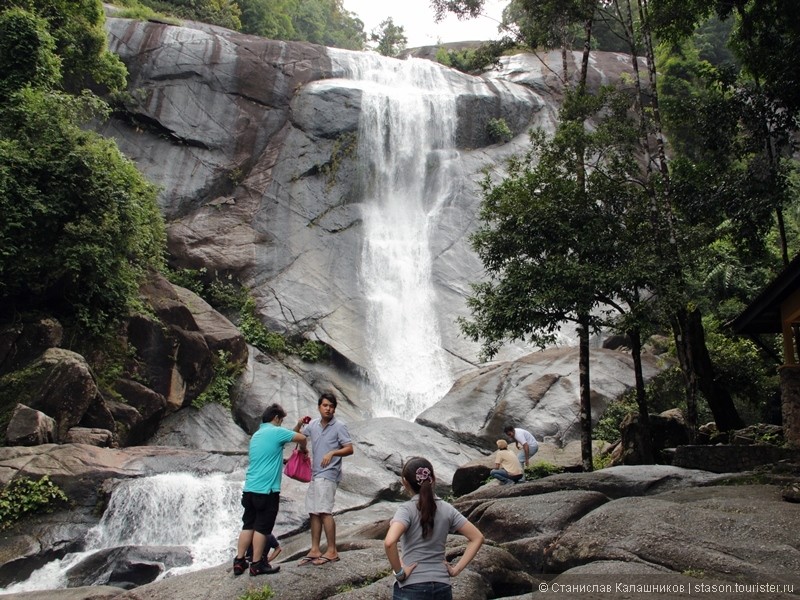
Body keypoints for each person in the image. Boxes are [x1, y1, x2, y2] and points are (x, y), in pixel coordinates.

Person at [384, 457, 484, 600]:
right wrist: (456, 570)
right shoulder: (448, 509)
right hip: (442, 585)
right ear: (433, 478)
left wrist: (399, 573)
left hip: (411, 587)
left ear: (405, 483)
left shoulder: (406, 510)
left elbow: (389, 542)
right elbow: (477, 538)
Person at [233, 403, 306, 576]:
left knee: (248, 525)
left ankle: (239, 560)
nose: (281, 424)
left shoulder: (257, 435)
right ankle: (257, 564)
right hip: (267, 491)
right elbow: (301, 439)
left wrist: (298, 425)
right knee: (262, 528)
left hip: (249, 489)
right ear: (275, 418)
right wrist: (304, 451)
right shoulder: (276, 432)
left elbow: (286, 438)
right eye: (281, 421)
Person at [294, 392, 353, 566]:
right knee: (313, 511)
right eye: (325, 405)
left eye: (331, 406)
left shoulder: (339, 426)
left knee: (325, 511)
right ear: (319, 407)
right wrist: (298, 423)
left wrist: (333, 452)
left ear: (335, 409)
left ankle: (332, 550)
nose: (328, 409)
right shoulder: (313, 425)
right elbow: (297, 435)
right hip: (315, 473)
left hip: (329, 474)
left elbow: (349, 448)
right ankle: (314, 549)